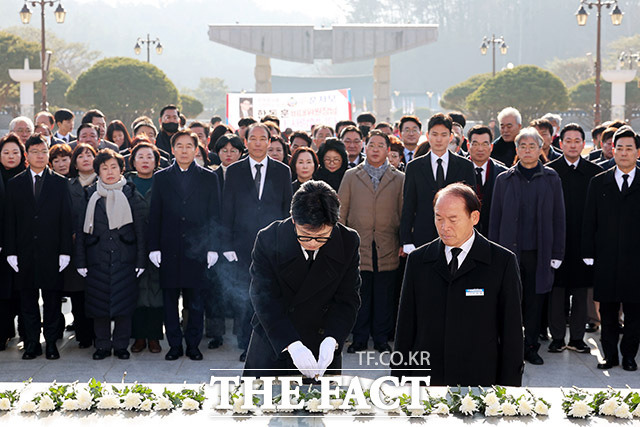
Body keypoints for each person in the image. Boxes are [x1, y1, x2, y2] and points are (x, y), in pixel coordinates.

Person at [392, 183, 523, 386]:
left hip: (479, 378)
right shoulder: (418, 260)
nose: (445, 227)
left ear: (474, 218)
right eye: (439, 218)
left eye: (453, 219)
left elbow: (511, 331)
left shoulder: (501, 262)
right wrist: (400, 378)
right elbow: (406, 326)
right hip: (427, 378)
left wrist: (509, 387)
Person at [243, 180, 361, 379]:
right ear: (293, 220)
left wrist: (332, 339)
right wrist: (292, 344)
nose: (314, 243)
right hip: (275, 339)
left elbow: (348, 298)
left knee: (318, 405)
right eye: (305, 236)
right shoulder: (269, 238)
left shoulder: (348, 240)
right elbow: (263, 299)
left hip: (321, 343)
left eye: (322, 236)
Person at [489, 127, 566, 366]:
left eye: (532, 146)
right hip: (510, 252)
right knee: (511, 301)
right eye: (523, 146)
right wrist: (493, 251)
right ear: (517, 149)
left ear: (541, 148)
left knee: (535, 302)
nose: (527, 150)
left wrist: (557, 253)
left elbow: (559, 217)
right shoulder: (504, 179)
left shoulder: (551, 178)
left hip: (539, 252)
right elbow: (495, 218)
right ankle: (510, 347)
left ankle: (531, 347)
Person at [222, 122, 293, 362]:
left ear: (270, 142)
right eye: (254, 138)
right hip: (242, 245)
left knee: (271, 296)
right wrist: (227, 245)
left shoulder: (283, 171)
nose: (259, 143)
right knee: (246, 296)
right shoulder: (234, 171)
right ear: (246, 142)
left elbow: (287, 210)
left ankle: (273, 342)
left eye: (264, 139)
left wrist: (286, 243)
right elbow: (227, 210)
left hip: (274, 245)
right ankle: (246, 344)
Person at [148, 129, 221, 361]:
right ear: (172, 149)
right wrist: (154, 247)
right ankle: (175, 345)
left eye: (189, 145)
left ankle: (193, 345)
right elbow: (155, 213)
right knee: (170, 300)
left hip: (198, 248)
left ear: (196, 149)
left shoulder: (209, 177)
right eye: (179, 145)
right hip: (169, 247)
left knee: (196, 301)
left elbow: (214, 216)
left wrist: (213, 247)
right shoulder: (161, 177)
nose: (184, 150)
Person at [4, 134, 73, 360]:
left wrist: (65, 251)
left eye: (43, 151)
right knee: (28, 301)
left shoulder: (60, 183)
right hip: (24, 252)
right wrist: (11, 251)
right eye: (35, 152)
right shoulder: (15, 184)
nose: (40, 156)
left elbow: (66, 219)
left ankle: (51, 343)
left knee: (52, 301)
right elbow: (10, 220)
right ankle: (32, 343)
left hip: (52, 252)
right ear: (27, 156)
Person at [74, 149, 146, 360]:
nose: (110, 172)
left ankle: (122, 345)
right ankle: (103, 345)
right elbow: (80, 230)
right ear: (98, 172)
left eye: (114, 167)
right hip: (97, 258)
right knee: (99, 307)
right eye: (104, 168)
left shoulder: (131, 194)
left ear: (122, 169)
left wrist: (141, 260)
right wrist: (80, 261)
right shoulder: (89, 195)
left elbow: (141, 231)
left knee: (124, 306)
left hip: (125, 259)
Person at [338, 130, 404, 354]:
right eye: (372, 145)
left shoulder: (399, 178)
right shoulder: (351, 176)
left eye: (380, 145)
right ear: (366, 148)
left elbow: (403, 213)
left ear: (388, 150)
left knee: (384, 296)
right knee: (359, 295)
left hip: (387, 243)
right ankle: (359, 338)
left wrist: (403, 241)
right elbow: (341, 210)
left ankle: (381, 339)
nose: (375, 149)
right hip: (358, 245)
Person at [583, 126, 640, 371]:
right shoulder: (599, 183)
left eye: (629, 148)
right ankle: (610, 356)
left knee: (635, 313)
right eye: (619, 148)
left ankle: (629, 356)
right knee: (607, 310)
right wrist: (588, 253)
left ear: (638, 152)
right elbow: (589, 221)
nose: (624, 153)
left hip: (636, 260)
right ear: (612, 151)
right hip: (606, 258)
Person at [546, 124, 602, 354]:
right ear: (561, 144)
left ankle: (577, 338)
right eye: (567, 140)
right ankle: (557, 337)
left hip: (583, 241)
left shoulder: (594, 172)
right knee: (556, 293)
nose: (572, 144)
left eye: (577, 140)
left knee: (580, 292)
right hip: (556, 241)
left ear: (584, 144)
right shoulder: (549, 171)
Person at [400, 113, 476, 254]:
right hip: (423, 236)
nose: (439, 139)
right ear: (428, 136)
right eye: (435, 134)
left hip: (457, 235)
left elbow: (471, 205)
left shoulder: (465, 166)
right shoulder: (414, 167)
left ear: (451, 137)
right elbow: (409, 205)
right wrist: (406, 239)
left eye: (444, 134)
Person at [127, 142, 164, 354]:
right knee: (138, 292)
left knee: (156, 291)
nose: (145, 161)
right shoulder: (127, 185)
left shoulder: (163, 182)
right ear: (133, 161)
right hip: (133, 246)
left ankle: (154, 337)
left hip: (159, 244)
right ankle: (139, 337)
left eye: (149, 157)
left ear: (156, 161)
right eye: (140, 157)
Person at [66, 143, 99, 349]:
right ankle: (83, 334)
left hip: (99, 246)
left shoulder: (104, 182)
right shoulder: (66, 185)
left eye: (90, 155)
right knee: (78, 293)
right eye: (81, 156)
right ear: (75, 163)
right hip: (74, 245)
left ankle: (99, 334)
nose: (85, 158)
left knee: (97, 291)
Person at [0, 134, 27, 351]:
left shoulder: (28, 177)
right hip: (1, 244)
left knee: (24, 290)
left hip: (25, 244)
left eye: (15, 152)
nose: (11, 156)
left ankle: (27, 333)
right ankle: (4, 332)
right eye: (6, 152)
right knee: (3, 292)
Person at [466, 125, 507, 236]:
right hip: (464, 234)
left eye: (485, 144)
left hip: (495, 235)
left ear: (491, 146)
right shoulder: (458, 170)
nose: (480, 149)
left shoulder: (503, 173)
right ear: (468, 146)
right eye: (475, 144)